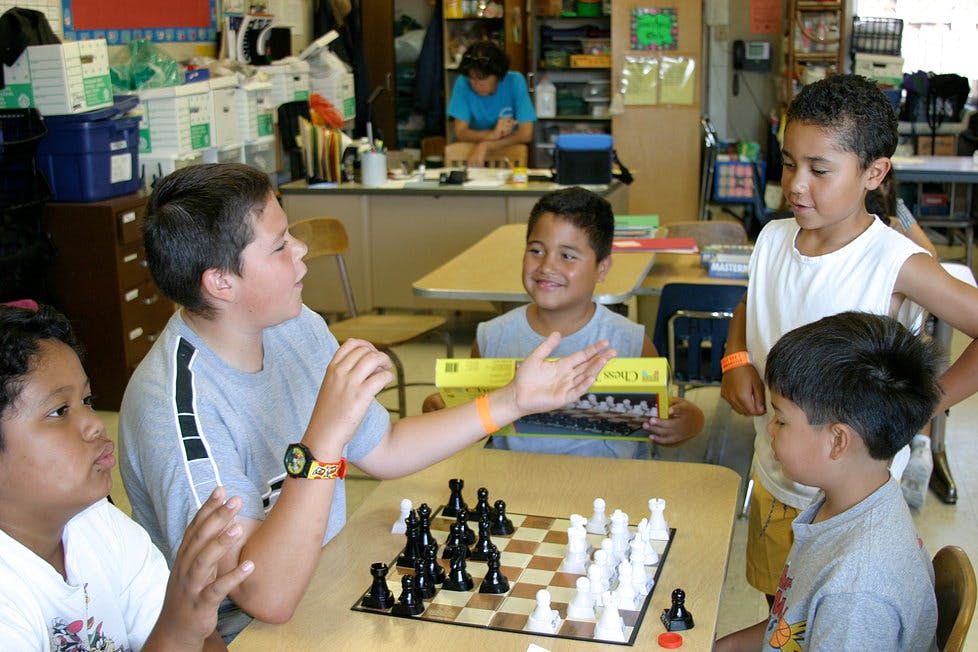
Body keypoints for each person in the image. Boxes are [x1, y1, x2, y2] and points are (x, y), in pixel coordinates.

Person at [118, 163, 614, 639]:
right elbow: (263, 597)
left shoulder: (293, 325)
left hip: (330, 571)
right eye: (279, 245)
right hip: (244, 632)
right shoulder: (175, 410)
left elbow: (387, 449)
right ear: (221, 282)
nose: (302, 249)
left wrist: (511, 402)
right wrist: (325, 441)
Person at [720, 74, 978, 602]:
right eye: (790, 162)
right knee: (782, 615)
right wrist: (735, 357)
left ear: (873, 173)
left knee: (840, 617)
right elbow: (753, 299)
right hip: (774, 475)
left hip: (851, 501)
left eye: (819, 170)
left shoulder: (897, 264)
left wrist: (923, 404)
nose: (795, 184)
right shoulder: (772, 237)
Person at [0, 303, 253, 650]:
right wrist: (178, 629)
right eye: (59, 411)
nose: (94, 424)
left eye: (88, 400)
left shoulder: (99, 525)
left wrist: (188, 621)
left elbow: (204, 640)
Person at [422, 187, 704, 458]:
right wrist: (443, 412)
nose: (547, 266)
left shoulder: (631, 342)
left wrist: (689, 422)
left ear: (602, 268)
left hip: (607, 493)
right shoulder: (491, 338)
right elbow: (476, 426)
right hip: (512, 488)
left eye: (567, 255)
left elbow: (661, 420)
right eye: (536, 250)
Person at [716, 311, 940, 651]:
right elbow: (791, 623)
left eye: (781, 419)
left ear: (838, 441)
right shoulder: (852, 499)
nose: (770, 429)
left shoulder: (856, 593)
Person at [446, 40, 535, 167]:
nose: (476, 84)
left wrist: (486, 145)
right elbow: (461, 132)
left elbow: (526, 134)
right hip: (471, 154)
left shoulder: (515, 81)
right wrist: (492, 134)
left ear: (498, 76)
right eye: (472, 78)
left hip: (507, 155)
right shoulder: (462, 82)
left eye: (482, 79)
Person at [865, 169, 937, 256]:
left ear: (887, 186)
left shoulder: (897, 209)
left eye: (875, 184)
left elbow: (930, 253)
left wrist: (899, 235)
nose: (869, 189)